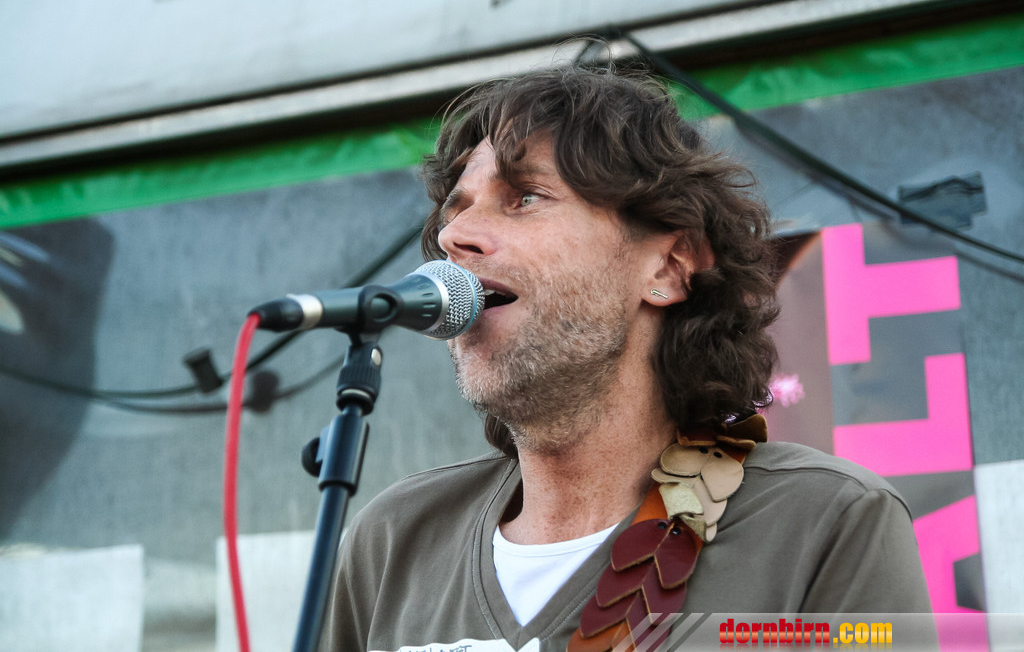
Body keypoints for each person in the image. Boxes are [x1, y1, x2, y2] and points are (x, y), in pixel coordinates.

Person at [319, 65, 932, 652]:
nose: (454, 237)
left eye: (525, 196)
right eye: (456, 212)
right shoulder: (392, 540)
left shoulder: (826, 521)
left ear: (668, 267)